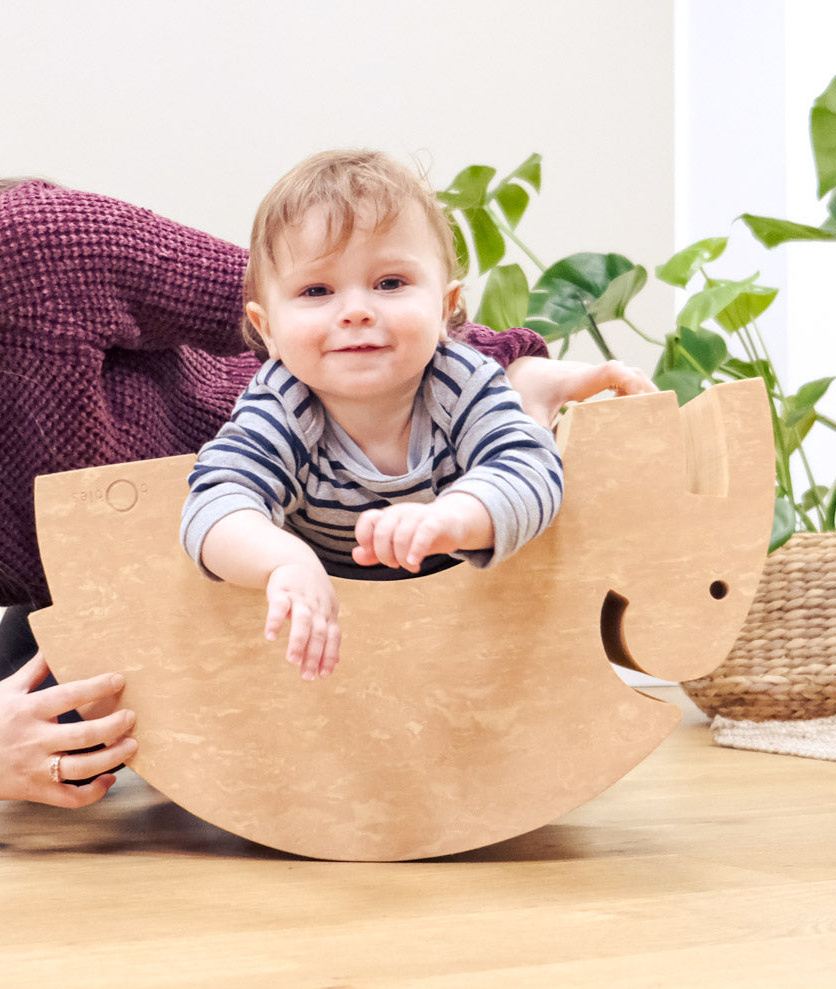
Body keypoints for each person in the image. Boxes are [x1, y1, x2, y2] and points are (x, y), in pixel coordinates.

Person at [0, 173, 653, 839]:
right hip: (146, 572)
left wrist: (494, 373)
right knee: (67, 740)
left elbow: (312, 298)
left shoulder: (15, 252)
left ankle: (506, 414)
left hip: (315, 486)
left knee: (454, 523)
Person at [182, 151, 565, 680]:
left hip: (474, 630)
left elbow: (531, 470)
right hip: (333, 645)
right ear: (266, 329)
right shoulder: (282, 404)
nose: (356, 310)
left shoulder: (461, 381)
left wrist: (451, 518)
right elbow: (216, 503)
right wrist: (282, 561)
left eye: (390, 283)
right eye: (316, 290)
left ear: (445, 306)